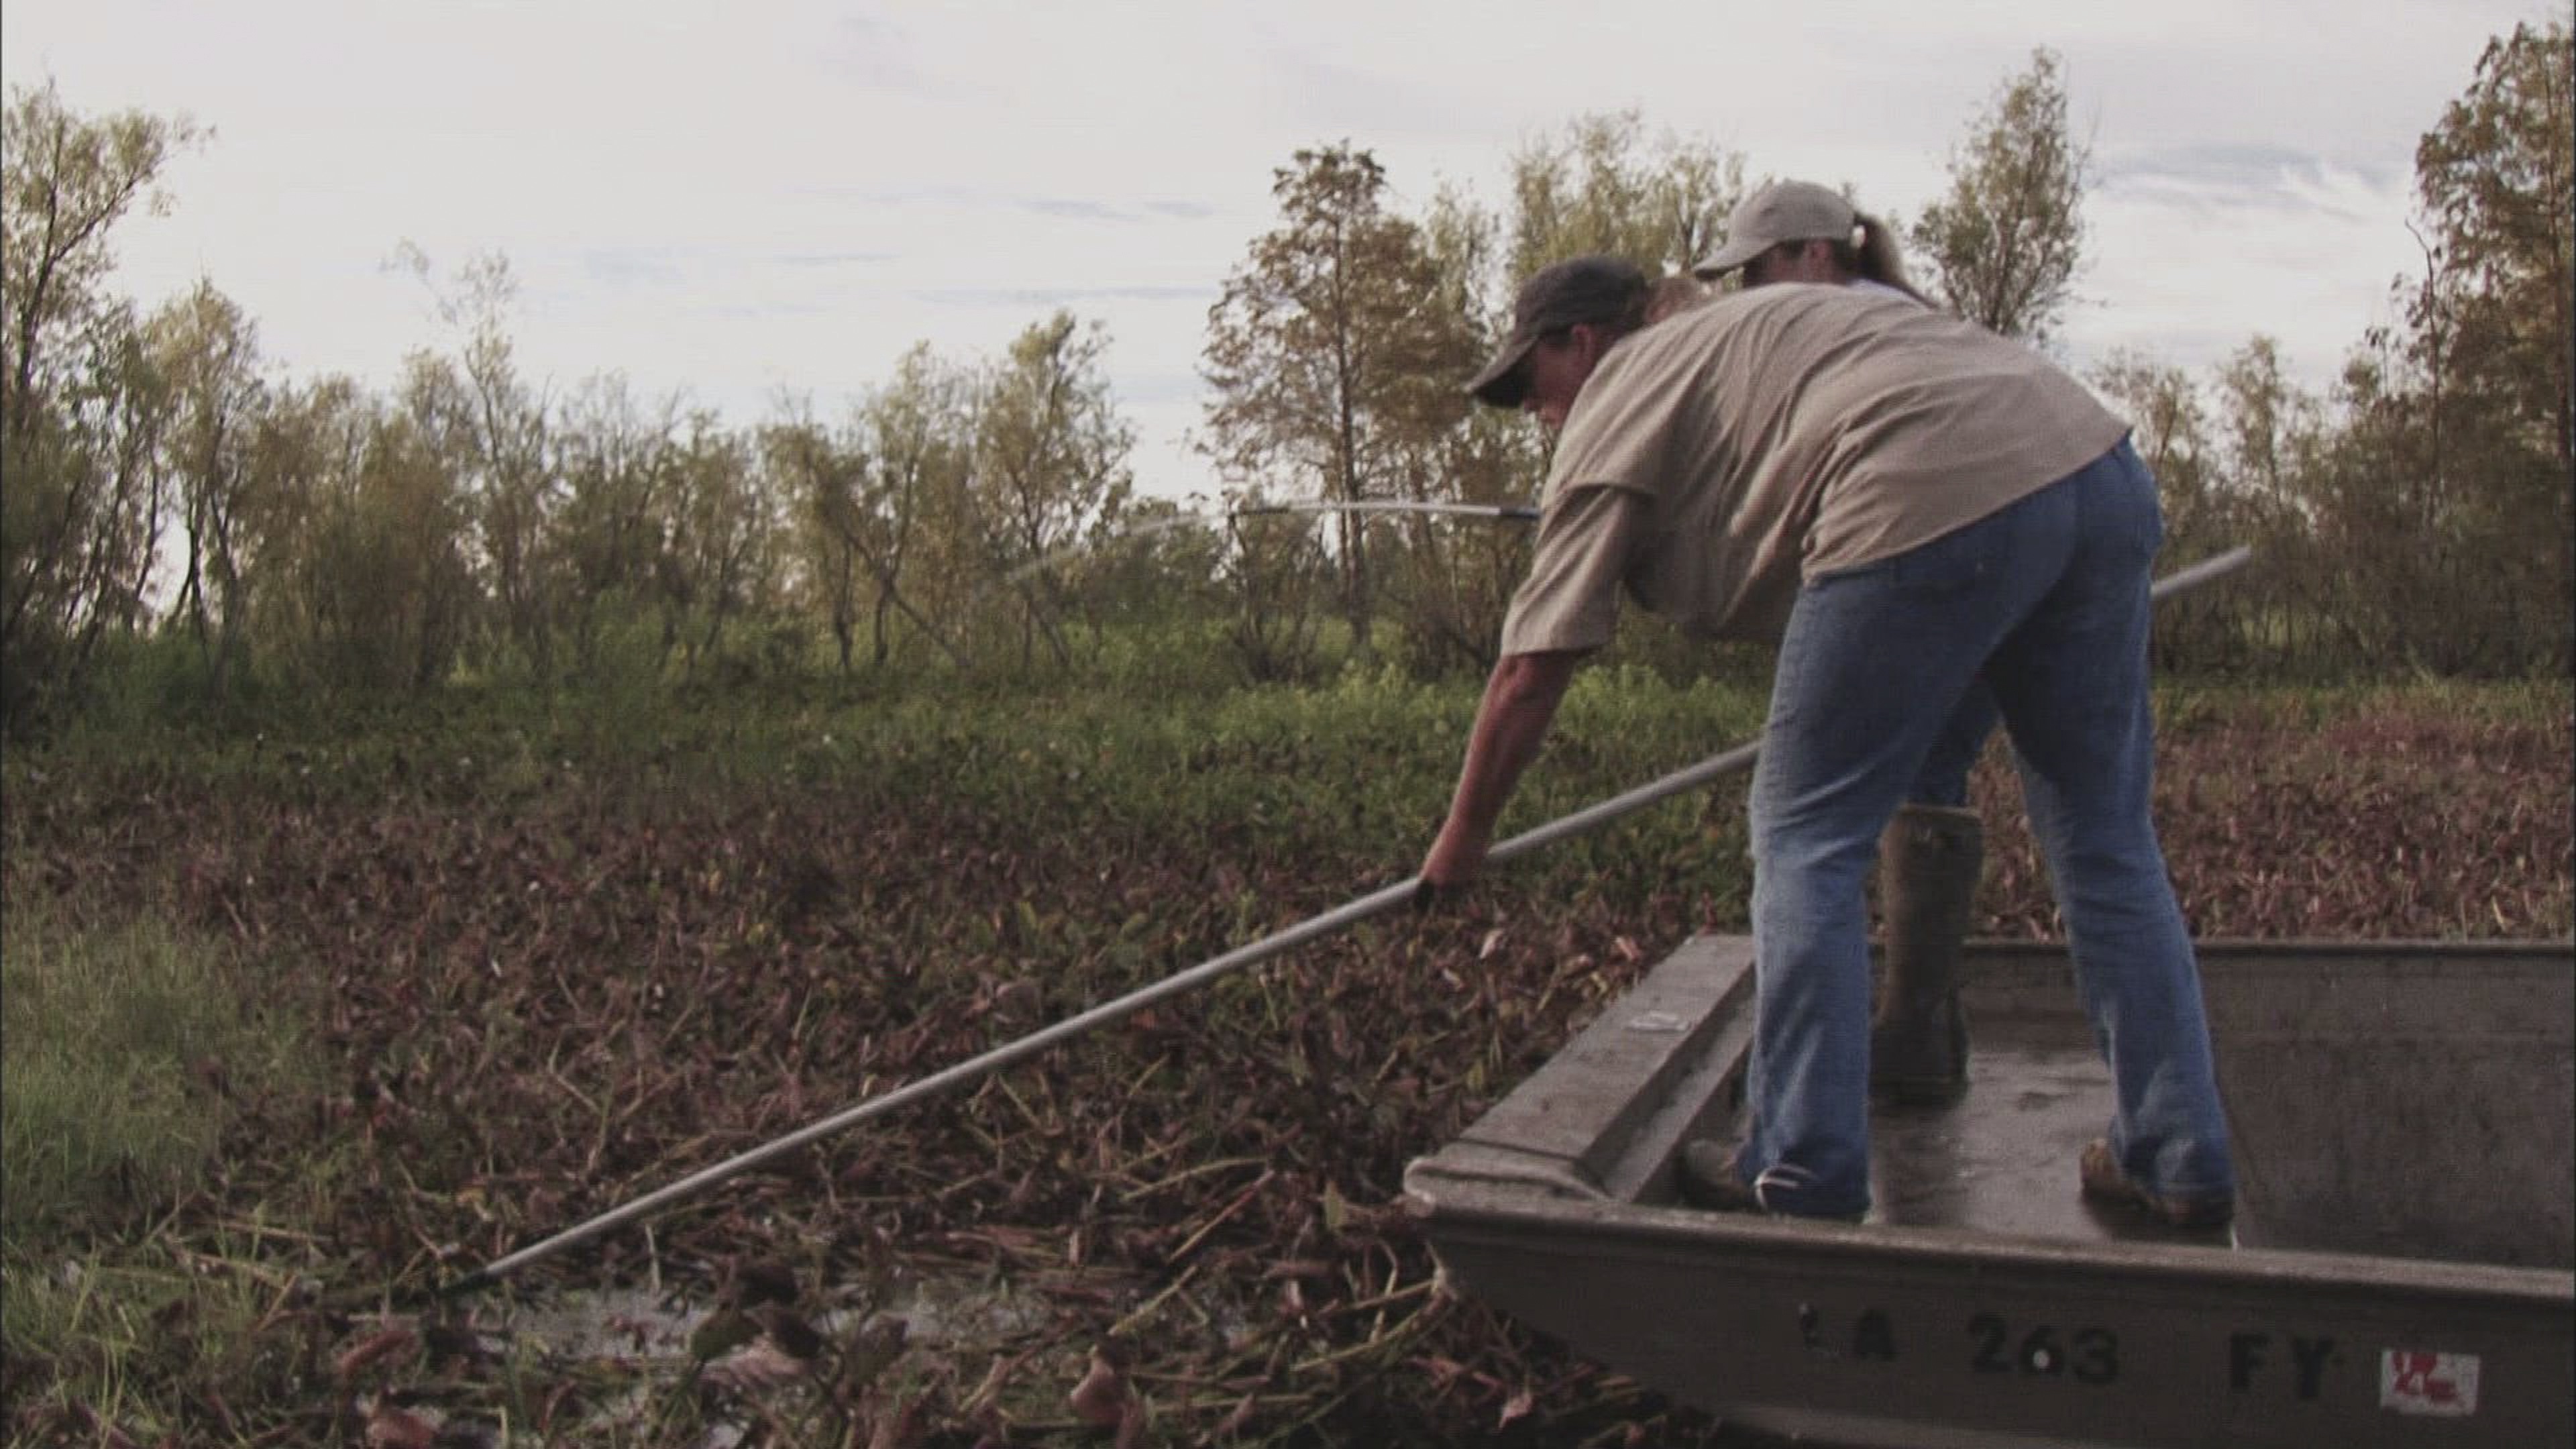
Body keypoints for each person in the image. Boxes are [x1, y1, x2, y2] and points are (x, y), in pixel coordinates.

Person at [1418, 254, 2237, 1228]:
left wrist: (1463, 836)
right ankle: (2177, 1156)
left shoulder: (1622, 385)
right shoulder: (1755, 330)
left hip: (1924, 482)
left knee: (1806, 834)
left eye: (1532, 385)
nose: (1536, 414)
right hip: (2097, 466)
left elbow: (1531, 667)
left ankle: (1799, 1165)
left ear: (1583, 342)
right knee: (2106, 841)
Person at [1698, 179, 1985, 1106]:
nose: (1746, 294)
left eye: (1755, 271)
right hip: (2006, 543)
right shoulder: (1913, 320)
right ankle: (1919, 1037)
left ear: (1815, 255)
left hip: (1914, 545)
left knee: (1800, 829)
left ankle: (1799, 1137)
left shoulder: (1824, 334)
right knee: (1930, 782)